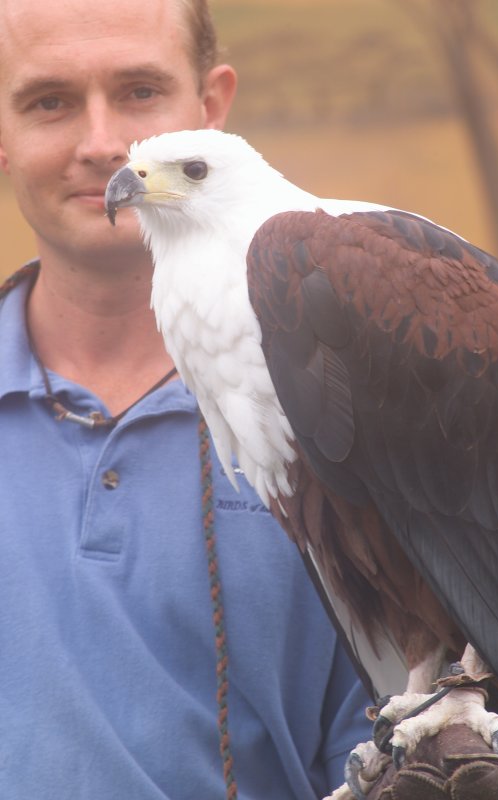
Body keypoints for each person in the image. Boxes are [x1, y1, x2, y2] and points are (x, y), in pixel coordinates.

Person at [0, 1, 373, 798]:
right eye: (50, 101)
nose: (103, 146)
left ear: (210, 111)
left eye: (139, 92)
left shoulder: (336, 394)